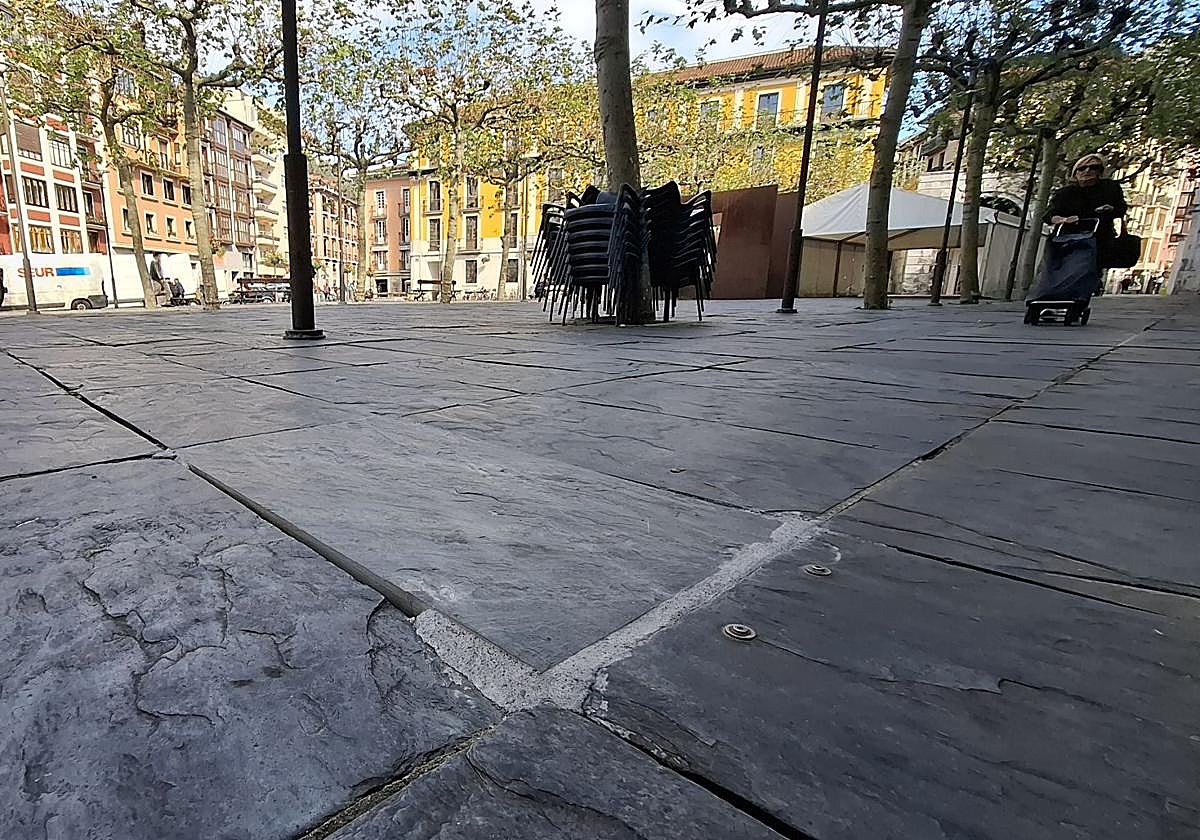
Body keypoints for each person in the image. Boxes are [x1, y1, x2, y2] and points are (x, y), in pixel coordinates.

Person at [1045, 154, 1128, 292]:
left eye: (1094, 167)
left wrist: (1110, 209)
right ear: (1075, 172)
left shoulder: (1110, 188)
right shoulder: (1064, 193)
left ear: (1100, 171)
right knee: (1057, 269)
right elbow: (1049, 215)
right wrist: (1063, 220)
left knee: (1089, 271)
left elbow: (1121, 209)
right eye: (1082, 168)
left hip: (1098, 238)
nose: (1087, 171)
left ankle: (1081, 298)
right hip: (1067, 238)